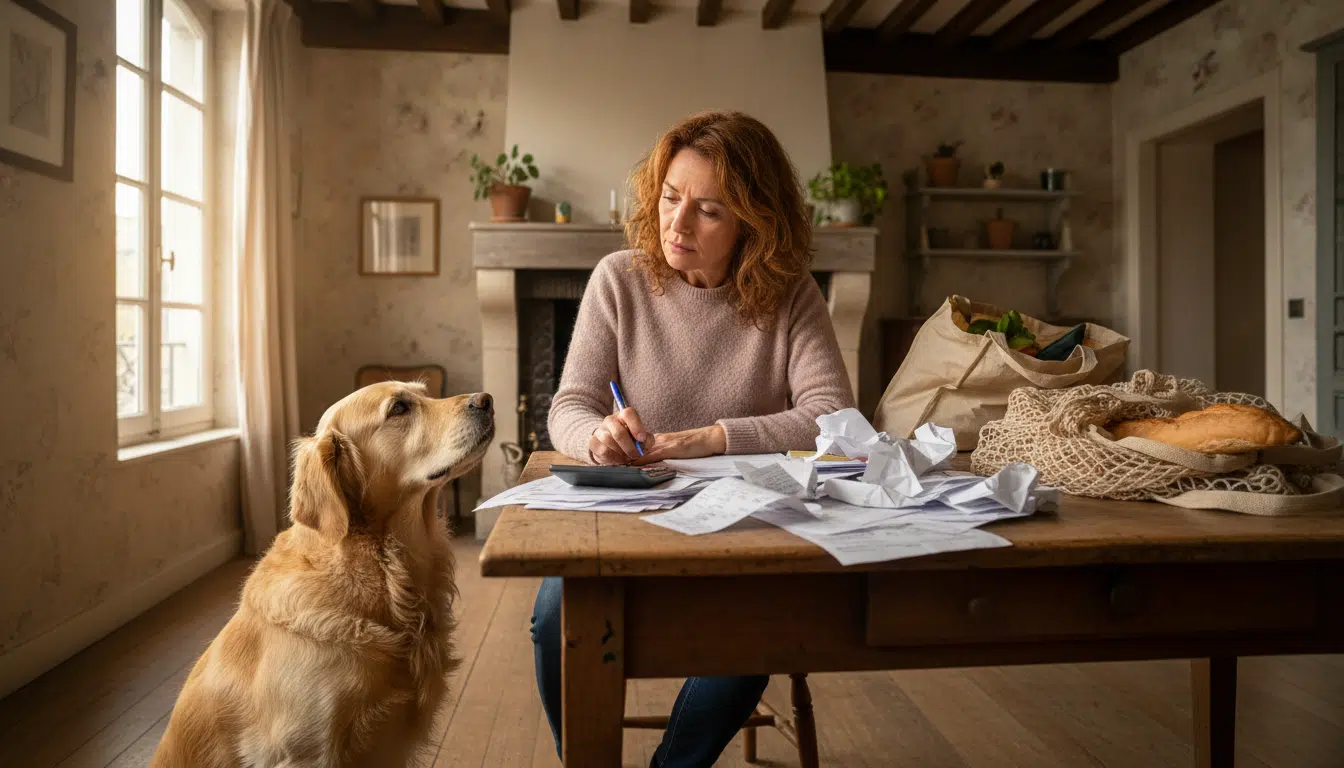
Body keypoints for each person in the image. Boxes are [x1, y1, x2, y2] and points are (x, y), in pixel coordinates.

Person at [532, 110, 855, 767]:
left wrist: (707, 439)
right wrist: (597, 436)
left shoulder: (790, 294)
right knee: (555, 617)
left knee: (754, 630)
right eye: (671, 199)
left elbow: (833, 417)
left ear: (753, 222)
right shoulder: (618, 278)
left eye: (708, 211)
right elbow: (570, 405)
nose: (676, 225)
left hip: (745, 519)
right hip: (629, 512)